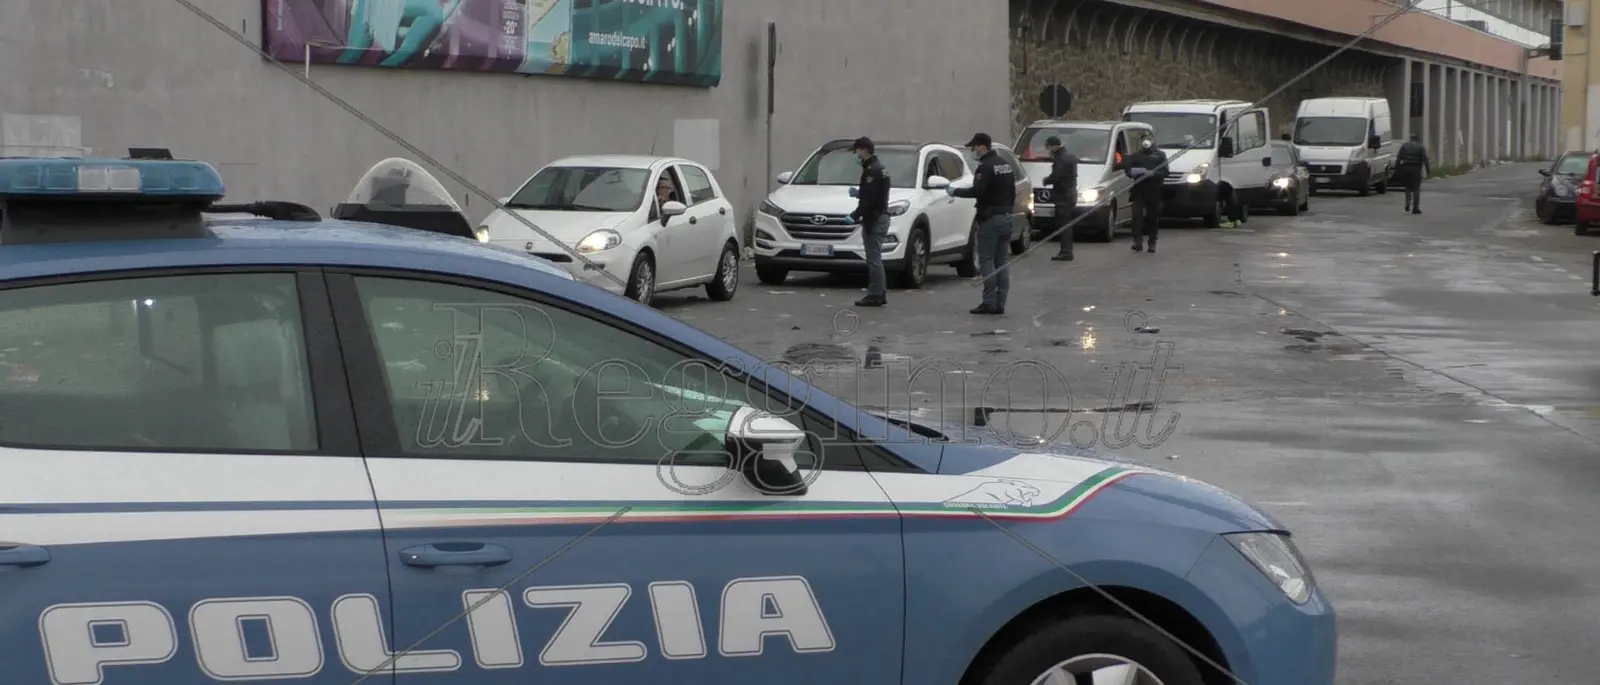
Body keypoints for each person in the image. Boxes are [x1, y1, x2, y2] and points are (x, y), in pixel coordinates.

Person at [948, 133, 1017, 315]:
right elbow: (1012, 190)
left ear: (983, 147)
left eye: (974, 147)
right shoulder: (1005, 164)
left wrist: (955, 192)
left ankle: (989, 302)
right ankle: (1001, 302)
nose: (973, 151)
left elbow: (977, 191)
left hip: (990, 219)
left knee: (986, 260)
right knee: (1001, 261)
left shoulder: (985, 167)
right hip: (1006, 216)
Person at [847, 137, 891, 307]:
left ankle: (875, 294)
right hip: (880, 215)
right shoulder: (880, 167)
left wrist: (855, 215)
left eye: (857, 151)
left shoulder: (872, 170)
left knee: (873, 258)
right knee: (875, 257)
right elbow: (874, 193)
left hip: (875, 217)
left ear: (864, 150)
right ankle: (880, 292)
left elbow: (870, 199)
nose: (856, 155)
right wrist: (860, 193)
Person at [1124, 135, 1168, 253]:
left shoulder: (1160, 155)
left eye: (1149, 139)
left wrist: (1153, 173)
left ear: (1153, 141)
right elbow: (1128, 170)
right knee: (1137, 216)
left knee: (1152, 217)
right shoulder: (1136, 156)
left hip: (1154, 190)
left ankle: (1152, 242)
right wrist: (1133, 172)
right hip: (1139, 189)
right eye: (1144, 139)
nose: (1146, 142)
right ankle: (1137, 242)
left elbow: (1165, 171)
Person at [1041, 135, 1079, 262]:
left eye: (1048, 147)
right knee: (1066, 224)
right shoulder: (1070, 156)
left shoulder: (1061, 159)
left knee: (1064, 225)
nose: (1048, 150)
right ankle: (1066, 250)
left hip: (1064, 195)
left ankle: (1066, 251)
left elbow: (1057, 176)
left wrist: (1046, 180)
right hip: (1070, 194)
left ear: (1054, 146)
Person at [1395, 133, 1430, 215]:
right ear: (1417, 139)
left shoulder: (1404, 146)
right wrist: (1428, 171)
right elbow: (1425, 159)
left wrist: (1398, 169)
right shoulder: (1420, 146)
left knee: (1407, 187)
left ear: (1410, 138)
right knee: (1416, 188)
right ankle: (1415, 207)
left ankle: (1407, 204)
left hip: (1406, 168)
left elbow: (1399, 157)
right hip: (1416, 169)